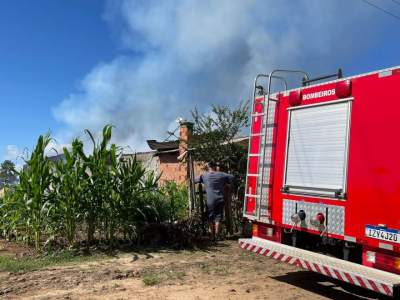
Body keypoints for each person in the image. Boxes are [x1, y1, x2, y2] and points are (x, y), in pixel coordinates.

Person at [195, 162, 234, 240]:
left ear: (208, 167)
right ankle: (217, 235)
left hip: (210, 200)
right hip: (220, 199)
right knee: (218, 217)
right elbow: (232, 177)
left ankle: (212, 236)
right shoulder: (221, 174)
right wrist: (226, 183)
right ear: (215, 167)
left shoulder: (204, 175)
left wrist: (203, 181)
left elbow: (195, 180)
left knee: (210, 217)